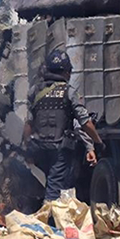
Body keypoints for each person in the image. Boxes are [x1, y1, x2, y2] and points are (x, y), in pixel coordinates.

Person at [24, 50, 100, 202]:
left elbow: (28, 123)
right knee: (55, 186)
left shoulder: (35, 91)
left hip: (38, 146)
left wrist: (26, 148)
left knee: (47, 182)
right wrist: (98, 142)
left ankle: (45, 212)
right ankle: (50, 220)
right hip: (60, 148)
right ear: (66, 71)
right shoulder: (69, 92)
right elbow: (85, 122)